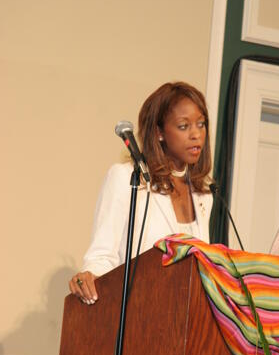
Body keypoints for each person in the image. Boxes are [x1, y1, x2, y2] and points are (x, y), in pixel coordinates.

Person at [69, 81, 213, 305]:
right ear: (159, 132)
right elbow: (101, 255)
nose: (196, 134)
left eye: (201, 124)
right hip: (140, 313)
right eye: (184, 126)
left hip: (184, 320)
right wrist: (90, 278)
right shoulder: (126, 178)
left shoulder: (204, 195)